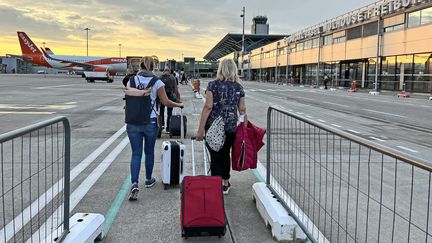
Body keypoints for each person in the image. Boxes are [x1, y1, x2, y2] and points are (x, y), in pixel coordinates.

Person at [123, 56, 183, 200]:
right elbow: (166, 102)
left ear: (141, 66)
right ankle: (149, 180)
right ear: (153, 67)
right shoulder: (157, 82)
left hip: (132, 121)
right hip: (150, 121)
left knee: (135, 153)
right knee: (149, 151)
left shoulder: (131, 80)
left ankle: (134, 183)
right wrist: (179, 105)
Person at [196, 59, 247, 195]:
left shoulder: (212, 85)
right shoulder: (239, 87)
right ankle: (225, 182)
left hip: (213, 127)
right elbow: (242, 110)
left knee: (215, 156)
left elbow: (208, 107)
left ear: (220, 69)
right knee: (225, 154)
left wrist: (200, 129)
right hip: (231, 127)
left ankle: (215, 183)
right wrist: (244, 128)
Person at [159, 68, 181, 133]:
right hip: (170, 97)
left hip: (161, 97)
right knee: (169, 113)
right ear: (170, 72)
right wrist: (178, 99)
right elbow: (176, 89)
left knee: (161, 111)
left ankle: (161, 125)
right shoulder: (172, 77)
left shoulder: (160, 77)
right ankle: (168, 127)